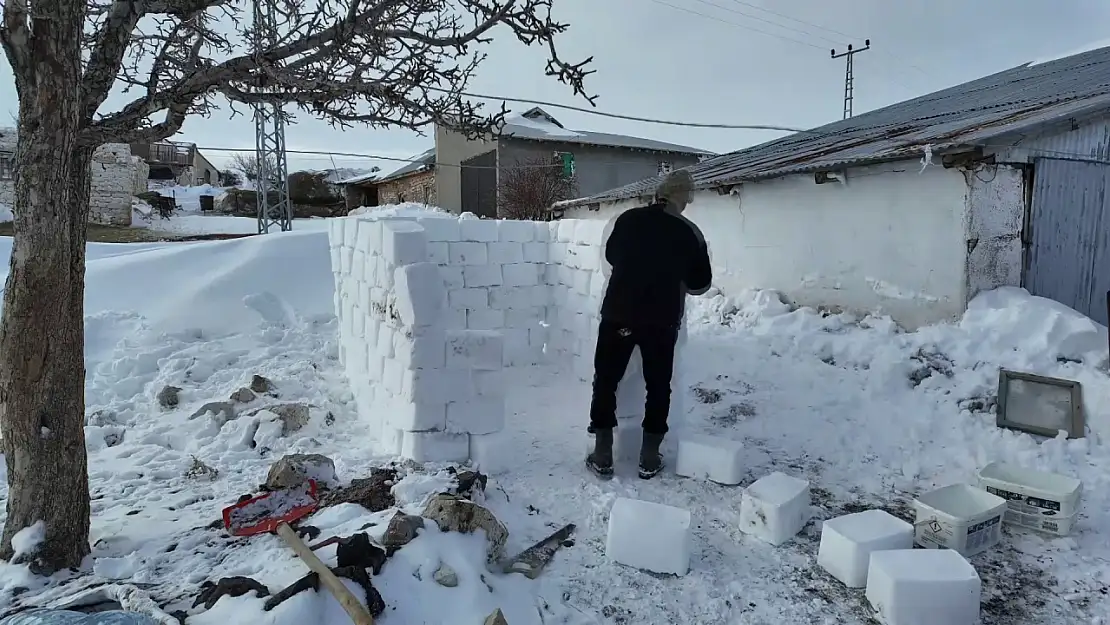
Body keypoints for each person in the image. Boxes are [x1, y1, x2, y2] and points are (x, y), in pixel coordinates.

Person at [586, 169, 712, 480]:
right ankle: (649, 455)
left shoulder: (627, 219)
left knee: (606, 379)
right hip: (661, 321)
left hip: (620, 315)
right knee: (658, 387)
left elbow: (612, 256)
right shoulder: (690, 232)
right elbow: (701, 284)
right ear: (682, 198)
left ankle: (603, 452)